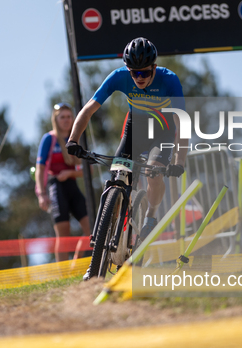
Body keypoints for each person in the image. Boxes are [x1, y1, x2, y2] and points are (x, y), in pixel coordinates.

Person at [65, 37, 188, 277]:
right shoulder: (119, 76)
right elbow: (90, 108)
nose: (139, 78)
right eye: (134, 73)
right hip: (135, 128)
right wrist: (73, 140)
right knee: (116, 177)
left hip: (162, 130)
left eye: (144, 72)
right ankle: (101, 248)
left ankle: (150, 215)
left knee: (153, 171)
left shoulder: (170, 80)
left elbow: (181, 124)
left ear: (154, 67)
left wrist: (179, 162)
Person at [35, 103, 91, 261]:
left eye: (69, 116)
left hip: (72, 185)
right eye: (62, 117)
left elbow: (89, 170)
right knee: (63, 234)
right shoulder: (49, 139)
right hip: (56, 187)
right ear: (56, 119)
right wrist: (42, 194)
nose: (66, 120)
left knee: (91, 228)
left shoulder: (76, 139)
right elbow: (39, 168)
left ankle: (76, 259)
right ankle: (63, 273)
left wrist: (70, 173)